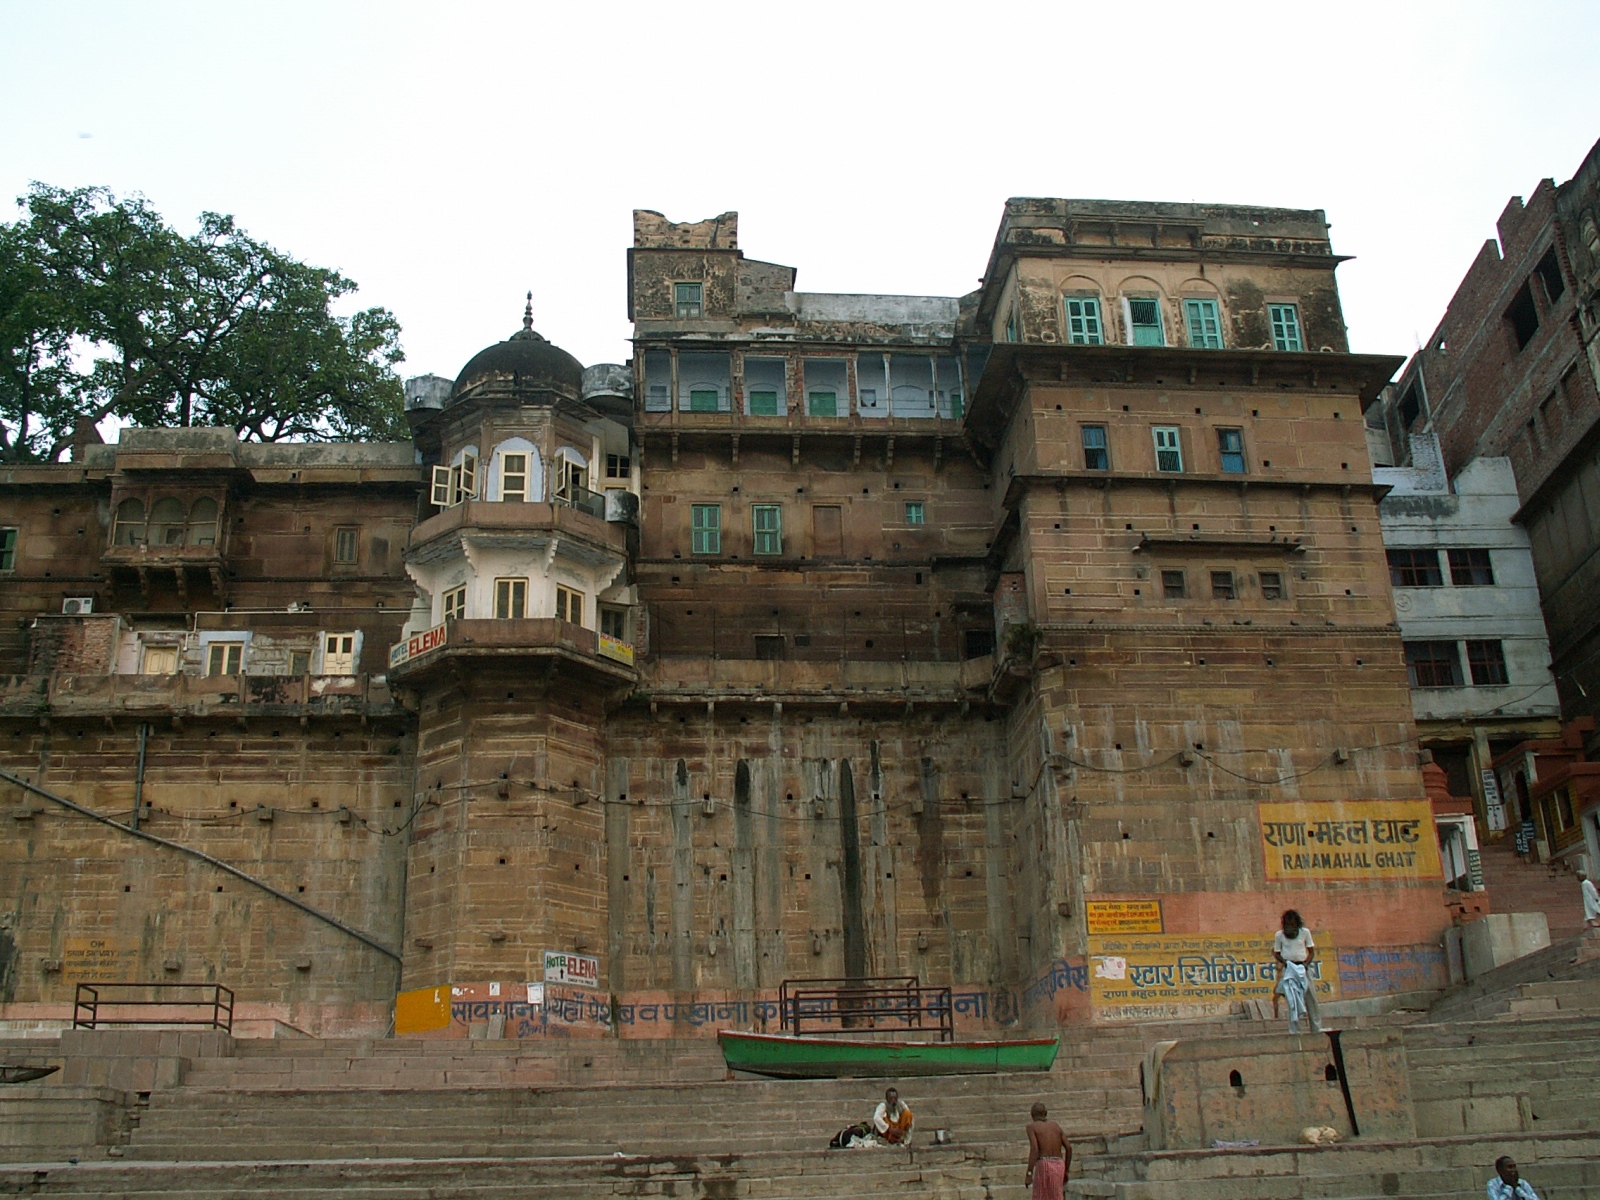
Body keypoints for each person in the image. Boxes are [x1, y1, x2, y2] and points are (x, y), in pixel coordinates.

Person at [1273, 909, 1322, 1034]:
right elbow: (1277, 953)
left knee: (1311, 998)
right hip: (1289, 969)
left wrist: (1306, 964)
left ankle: (1316, 1029)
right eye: (1288, 925)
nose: (1290, 928)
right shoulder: (1279, 935)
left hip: (1303, 968)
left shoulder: (1305, 932)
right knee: (1292, 1001)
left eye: (1292, 925)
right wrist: (1286, 963)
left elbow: (1311, 952)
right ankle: (1294, 1031)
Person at [1024, 1102, 1071, 1200]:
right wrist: (1066, 1170)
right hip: (1059, 1164)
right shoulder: (1055, 1126)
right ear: (1046, 1113)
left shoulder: (1031, 1127)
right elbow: (1068, 1147)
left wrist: (1029, 1173)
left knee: (1041, 1196)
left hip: (1044, 1164)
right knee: (1057, 1195)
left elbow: (1035, 1149)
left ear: (1032, 1114)